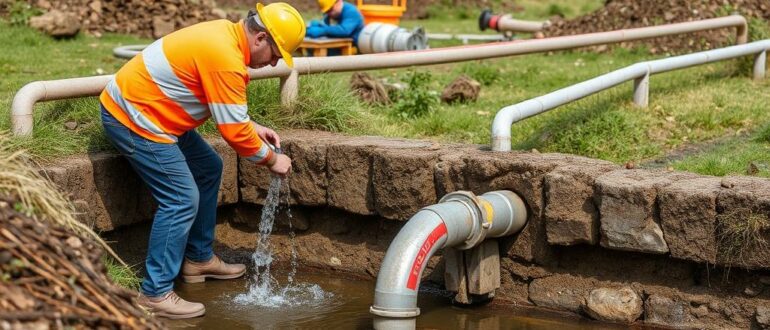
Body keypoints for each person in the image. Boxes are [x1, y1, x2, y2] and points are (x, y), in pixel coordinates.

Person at [98, 2, 305, 319]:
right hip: (135, 118)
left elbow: (227, 109)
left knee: (209, 168)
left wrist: (251, 126)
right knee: (181, 198)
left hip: (156, 111)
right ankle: (154, 294)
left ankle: (198, 259)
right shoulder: (225, 58)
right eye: (276, 54)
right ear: (261, 38)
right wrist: (270, 160)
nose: (274, 63)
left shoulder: (225, 36)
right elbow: (234, 133)